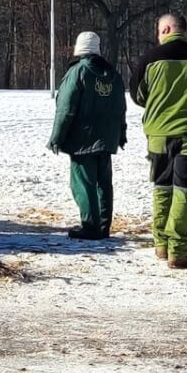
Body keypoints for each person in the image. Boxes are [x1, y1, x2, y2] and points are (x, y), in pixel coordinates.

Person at [130, 13, 187, 269]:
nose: (158, 35)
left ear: (167, 29)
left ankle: (160, 245)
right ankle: (177, 252)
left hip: (158, 136)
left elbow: (138, 96)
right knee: (184, 191)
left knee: (161, 189)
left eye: (159, 30)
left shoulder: (149, 60)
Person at [48, 31, 128, 239]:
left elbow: (65, 108)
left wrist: (57, 137)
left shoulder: (78, 72)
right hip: (107, 138)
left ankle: (90, 226)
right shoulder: (113, 74)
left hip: (82, 139)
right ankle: (103, 226)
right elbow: (121, 107)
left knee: (83, 183)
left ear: (78, 48)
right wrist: (121, 133)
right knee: (104, 183)